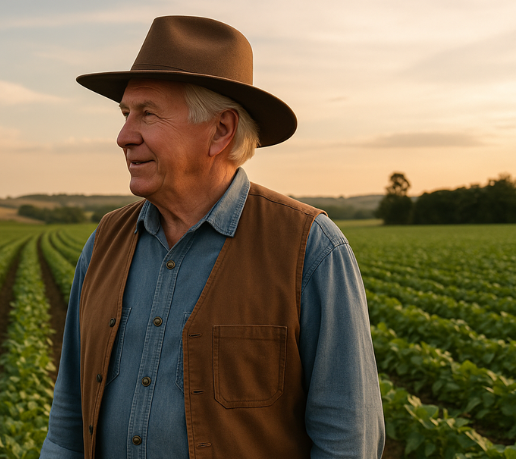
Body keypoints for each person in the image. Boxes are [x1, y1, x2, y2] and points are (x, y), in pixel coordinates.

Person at [40, 15, 384, 459]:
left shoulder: (310, 247)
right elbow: (69, 416)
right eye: (126, 113)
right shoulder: (104, 242)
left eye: (147, 113)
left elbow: (347, 437)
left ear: (220, 130)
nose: (124, 136)